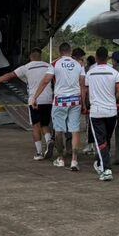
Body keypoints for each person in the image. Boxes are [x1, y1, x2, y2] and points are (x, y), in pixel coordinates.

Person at [0, 48, 55, 160]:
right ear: (40, 56)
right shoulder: (48, 66)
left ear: (30, 57)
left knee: (35, 125)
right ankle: (49, 140)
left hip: (34, 100)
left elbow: (9, 75)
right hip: (48, 99)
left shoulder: (26, 67)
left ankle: (39, 153)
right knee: (45, 124)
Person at [83, 46, 119, 182]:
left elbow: (87, 91)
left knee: (100, 140)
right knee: (106, 139)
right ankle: (101, 163)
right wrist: (113, 97)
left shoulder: (90, 73)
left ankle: (106, 169)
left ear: (96, 57)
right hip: (112, 110)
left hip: (97, 111)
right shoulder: (114, 73)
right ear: (108, 58)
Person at [50, 42, 85, 171]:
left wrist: (35, 96)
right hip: (75, 100)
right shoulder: (79, 64)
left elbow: (45, 81)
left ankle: (60, 158)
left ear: (60, 51)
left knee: (59, 130)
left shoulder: (54, 64)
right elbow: (82, 84)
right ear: (70, 51)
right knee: (75, 130)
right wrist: (84, 103)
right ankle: (74, 160)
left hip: (60, 100)